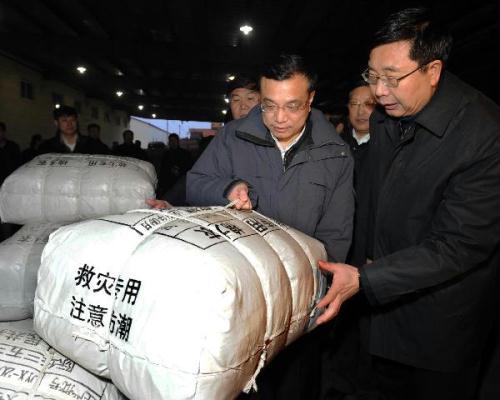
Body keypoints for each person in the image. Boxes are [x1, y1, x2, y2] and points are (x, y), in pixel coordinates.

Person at [316, 7, 500, 400]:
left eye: (392, 78)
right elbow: (370, 199)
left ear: (433, 70)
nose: (379, 91)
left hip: (435, 329)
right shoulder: (388, 115)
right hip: (368, 313)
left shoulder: (486, 133)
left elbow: (461, 245)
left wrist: (369, 278)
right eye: (372, 75)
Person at [185, 54, 354, 399]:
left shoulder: (335, 154)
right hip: (240, 296)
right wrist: (227, 188)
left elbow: (336, 235)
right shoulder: (233, 136)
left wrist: (311, 298)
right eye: (269, 105)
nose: (278, 118)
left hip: (299, 303)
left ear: (310, 100)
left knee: (294, 384)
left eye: (292, 106)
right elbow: (195, 182)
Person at [341, 81, 376, 186]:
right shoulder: (336, 144)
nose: (360, 112)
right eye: (354, 104)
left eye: (368, 104)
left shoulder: (389, 147)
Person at [157, 133, 193, 205]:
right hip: (168, 184)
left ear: (177, 141)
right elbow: (162, 171)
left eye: (174, 141)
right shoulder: (166, 154)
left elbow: (189, 169)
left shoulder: (185, 154)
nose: (172, 142)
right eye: (170, 141)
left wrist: (179, 171)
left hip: (181, 184)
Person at [0, 122, 22, 240]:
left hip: (11, 187)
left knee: (11, 216)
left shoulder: (13, 147)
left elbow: (18, 166)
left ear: (4, 132)